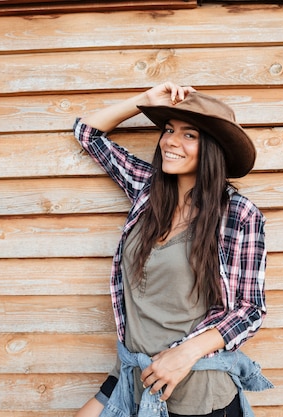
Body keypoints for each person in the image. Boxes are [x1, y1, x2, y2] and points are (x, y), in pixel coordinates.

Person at [72, 82, 272, 417]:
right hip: (133, 375)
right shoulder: (147, 189)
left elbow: (250, 309)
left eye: (189, 134)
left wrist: (183, 355)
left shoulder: (238, 214)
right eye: (168, 129)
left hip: (195, 390)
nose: (170, 142)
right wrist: (145, 101)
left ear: (212, 147)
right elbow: (88, 133)